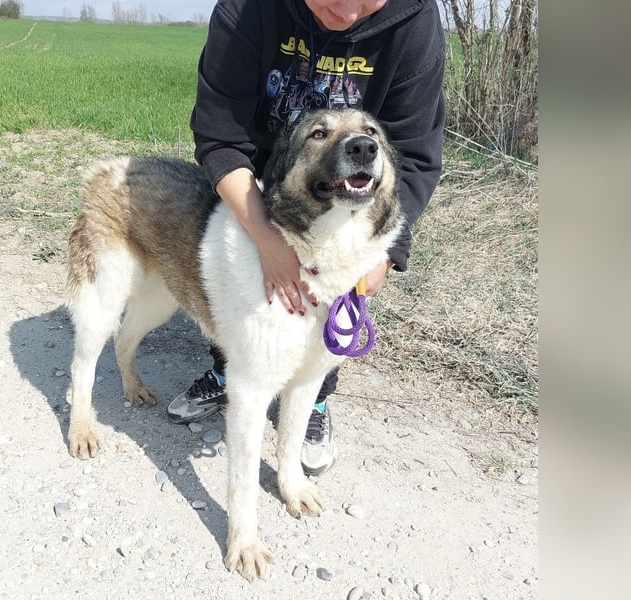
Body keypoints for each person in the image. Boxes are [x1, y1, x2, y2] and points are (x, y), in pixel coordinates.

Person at [167, 0, 445, 476]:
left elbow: (415, 156)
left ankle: (313, 398)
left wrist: (387, 251)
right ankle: (231, 368)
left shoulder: (413, 22)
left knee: (325, 314)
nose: (347, 8)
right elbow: (219, 136)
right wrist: (266, 239)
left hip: (350, 193)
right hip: (256, 178)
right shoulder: (247, 9)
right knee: (241, 298)